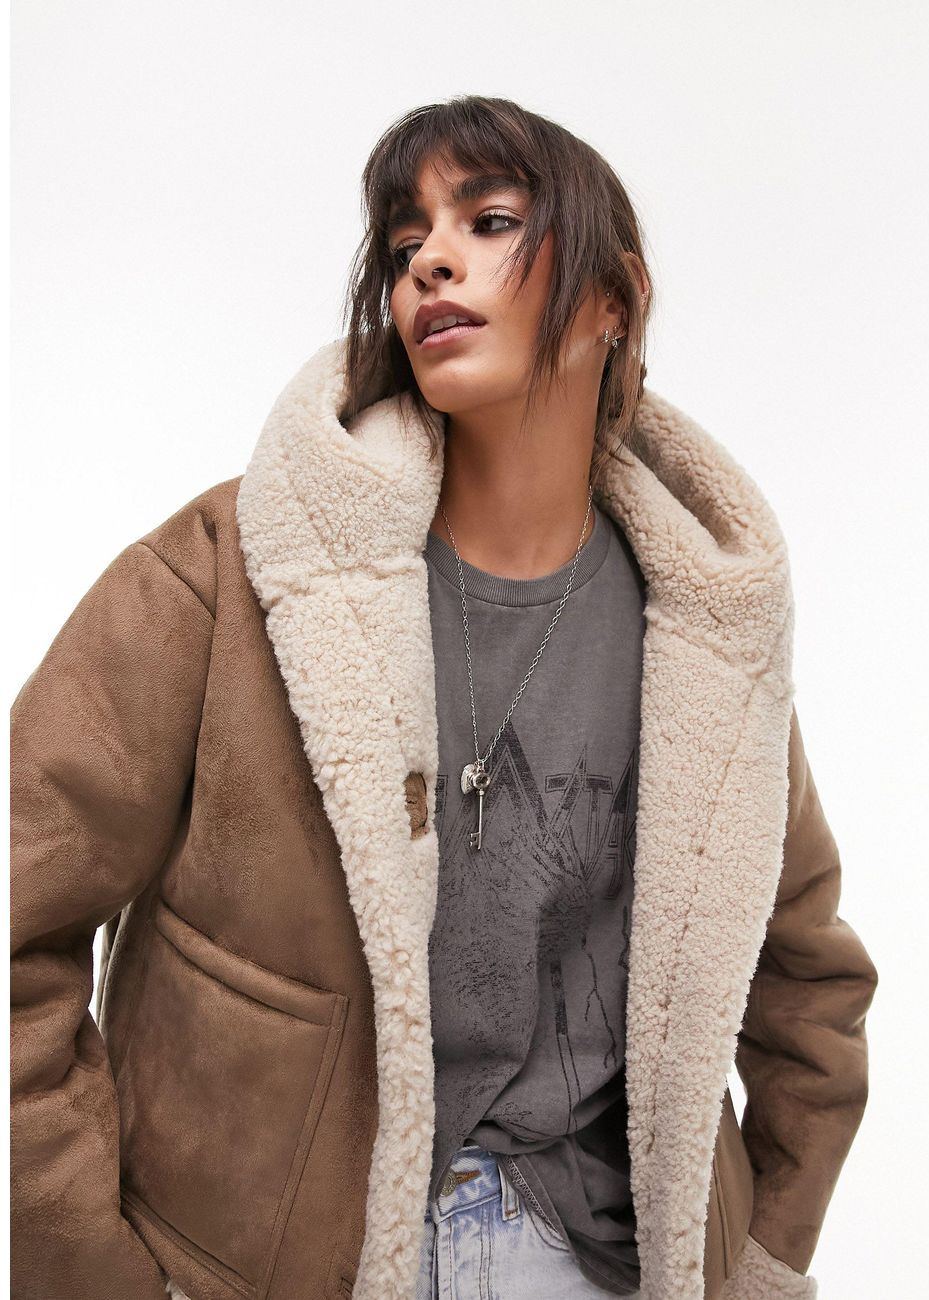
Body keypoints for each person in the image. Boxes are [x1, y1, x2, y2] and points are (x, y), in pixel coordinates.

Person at [10, 95, 878, 1300]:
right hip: (267, 1264)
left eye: (491, 219)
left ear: (611, 297)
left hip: (595, 1258)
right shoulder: (233, 573)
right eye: (405, 237)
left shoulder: (701, 631)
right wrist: (84, 1266)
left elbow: (808, 985)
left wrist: (760, 1258)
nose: (429, 259)